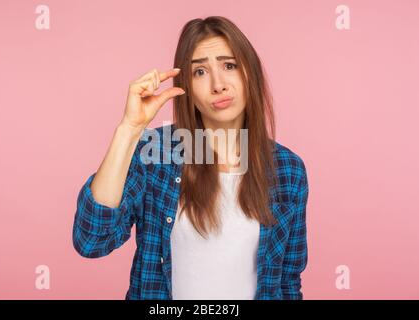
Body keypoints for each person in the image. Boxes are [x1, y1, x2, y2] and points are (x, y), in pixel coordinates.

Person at [72, 16, 309, 300]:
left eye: (229, 65)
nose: (218, 84)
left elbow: (287, 281)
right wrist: (130, 130)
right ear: (186, 87)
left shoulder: (288, 170)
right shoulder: (156, 153)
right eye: (200, 72)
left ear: (250, 73)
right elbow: (91, 240)